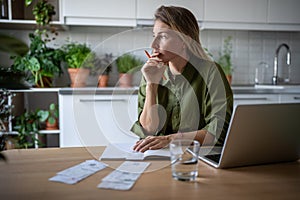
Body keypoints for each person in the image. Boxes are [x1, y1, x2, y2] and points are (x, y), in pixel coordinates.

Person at [131, 5, 233, 152]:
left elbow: (217, 132)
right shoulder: (151, 72)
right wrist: (151, 85)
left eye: (163, 36)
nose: (153, 45)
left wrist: (169, 139)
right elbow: (148, 130)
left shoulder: (211, 72)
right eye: (154, 36)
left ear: (184, 41)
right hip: (157, 157)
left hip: (197, 159)